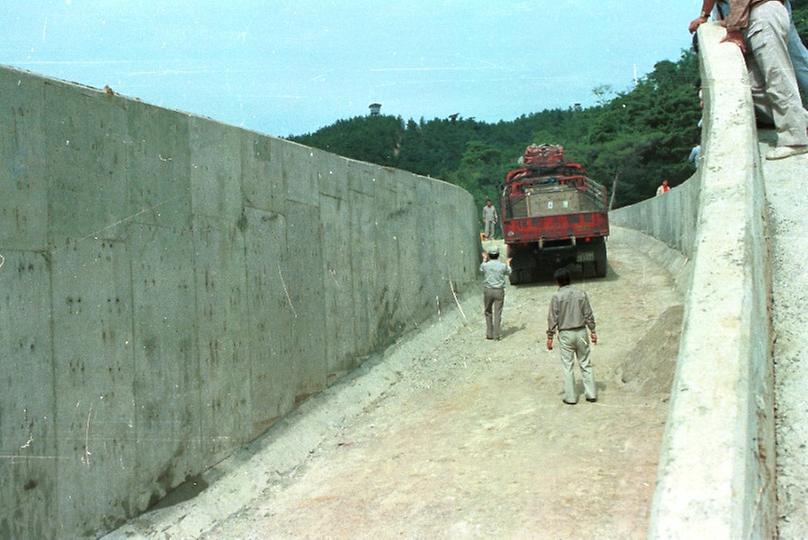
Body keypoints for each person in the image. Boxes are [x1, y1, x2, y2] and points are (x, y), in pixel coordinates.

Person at [690, 0, 808, 159]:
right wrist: (705, 15)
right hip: (749, 18)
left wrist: (733, 28)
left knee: (776, 76)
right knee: (751, 86)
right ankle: (800, 121)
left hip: (762, 14)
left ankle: (795, 140)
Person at [546, 268, 598, 405]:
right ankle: (591, 394)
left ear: (557, 282)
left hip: (566, 335)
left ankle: (570, 397)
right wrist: (593, 331)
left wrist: (550, 337)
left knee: (568, 366)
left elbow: (552, 318)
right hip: (581, 333)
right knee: (585, 363)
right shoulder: (581, 294)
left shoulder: (556, 297)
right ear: (570, 279)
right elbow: (588, 314)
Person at [479, 247, 512, 340]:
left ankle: (489, 334)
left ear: (489, 255)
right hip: (499, 291)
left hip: (488, 290)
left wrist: (484, 259)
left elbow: (481, 269)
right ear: (498, 255)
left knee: (488, 311)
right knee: (497, 313)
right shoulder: (502, 266)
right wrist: (508, 263)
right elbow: (509, 272)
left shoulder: (486, 265)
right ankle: (497, 335)